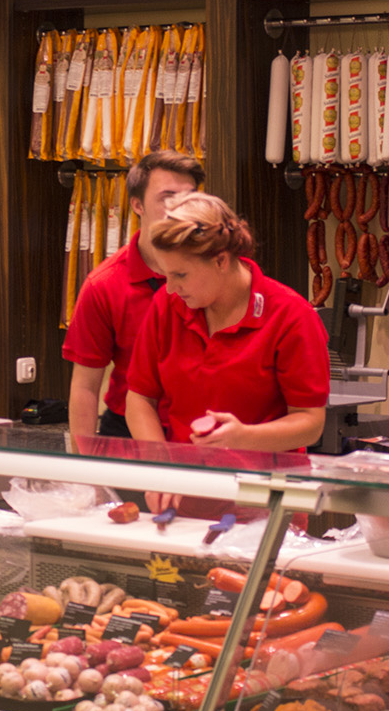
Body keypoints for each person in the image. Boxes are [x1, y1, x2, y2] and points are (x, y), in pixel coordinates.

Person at [124, 193, 328, 510]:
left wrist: (242, 436)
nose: (170, 288)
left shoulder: (291, 316)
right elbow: (139, 397)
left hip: (264, 501)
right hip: (182, 496)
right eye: (166, 275)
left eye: (180, 275)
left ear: (220, 260)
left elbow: (310, 423)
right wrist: (160, 464)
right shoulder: (167, 306)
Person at [63, 150, 204, 438]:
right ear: (137, 204)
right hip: (128, 427)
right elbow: (85, 387)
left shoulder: (216, 272)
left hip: (204, 427)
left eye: (189, 198)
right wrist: (84, 472)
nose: (180, 208)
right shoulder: (104, 284)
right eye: (167, 198)